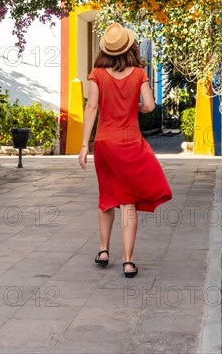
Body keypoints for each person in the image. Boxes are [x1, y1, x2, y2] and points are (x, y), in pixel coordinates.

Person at [78, 22, 173, 278]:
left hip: (104, 144)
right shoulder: (139, 73)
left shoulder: (97, 73)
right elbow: (151, 105)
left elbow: (92, 108)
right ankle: (128, 261)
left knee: (107, 197)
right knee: (128, 202)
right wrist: (137, 108)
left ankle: (104, 250)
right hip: (130, 143)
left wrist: (84, 145)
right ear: (129, 46)